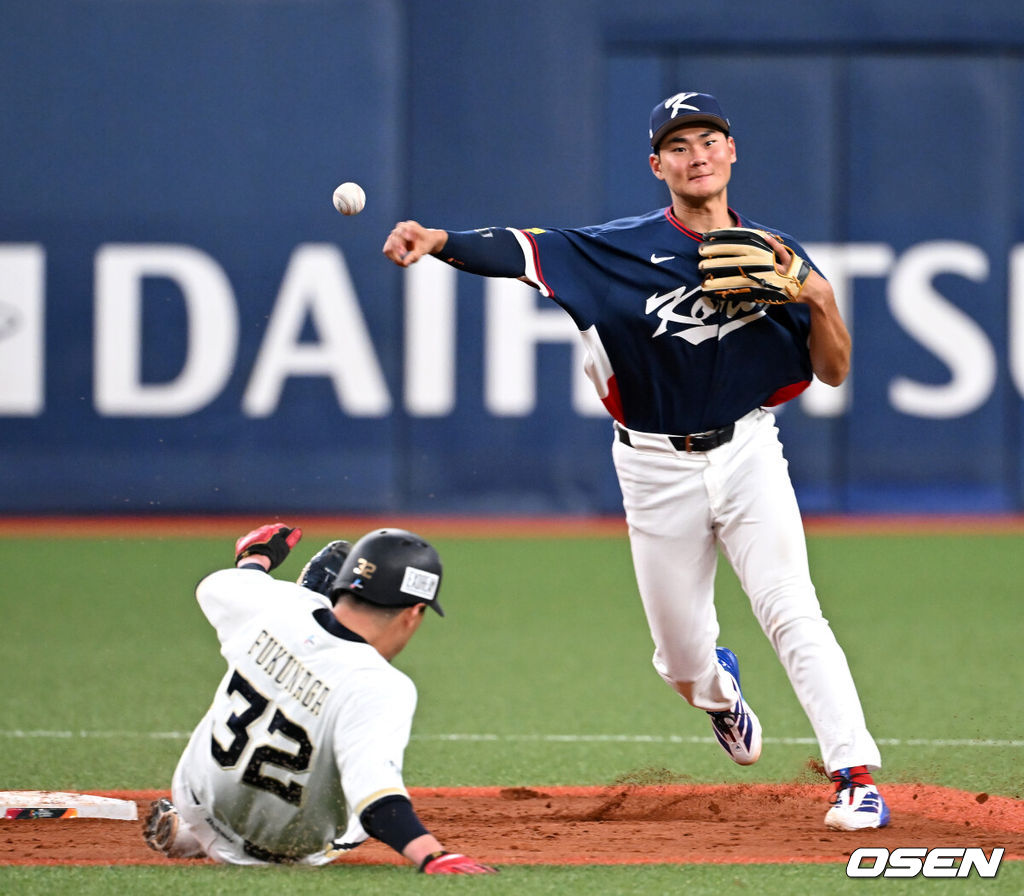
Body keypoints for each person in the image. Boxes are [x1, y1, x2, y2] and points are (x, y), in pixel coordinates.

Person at [382, 91, 888, 831]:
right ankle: (720, 694)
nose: (697, 154)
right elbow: (521, 249)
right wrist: (438, 239)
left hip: (749, 450)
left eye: (709, 139)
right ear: (659, 166)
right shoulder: (615, 249)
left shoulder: (779, 254)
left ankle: (855, 778)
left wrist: (817, 294)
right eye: (679, 146)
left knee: (792, 609)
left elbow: (834, 370)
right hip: (654, 466)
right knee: (682, 661)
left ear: (732, 151)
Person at [142, 523, 497, 873]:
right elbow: (376, 798)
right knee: (355, 804)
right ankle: (210, 841)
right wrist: (434, 856)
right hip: (279, 851)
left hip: (195, 801)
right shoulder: (380, 685)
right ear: (413, 613)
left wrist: (257, 558)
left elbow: (219, 586)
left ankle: (194, 834)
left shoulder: (276, 605)